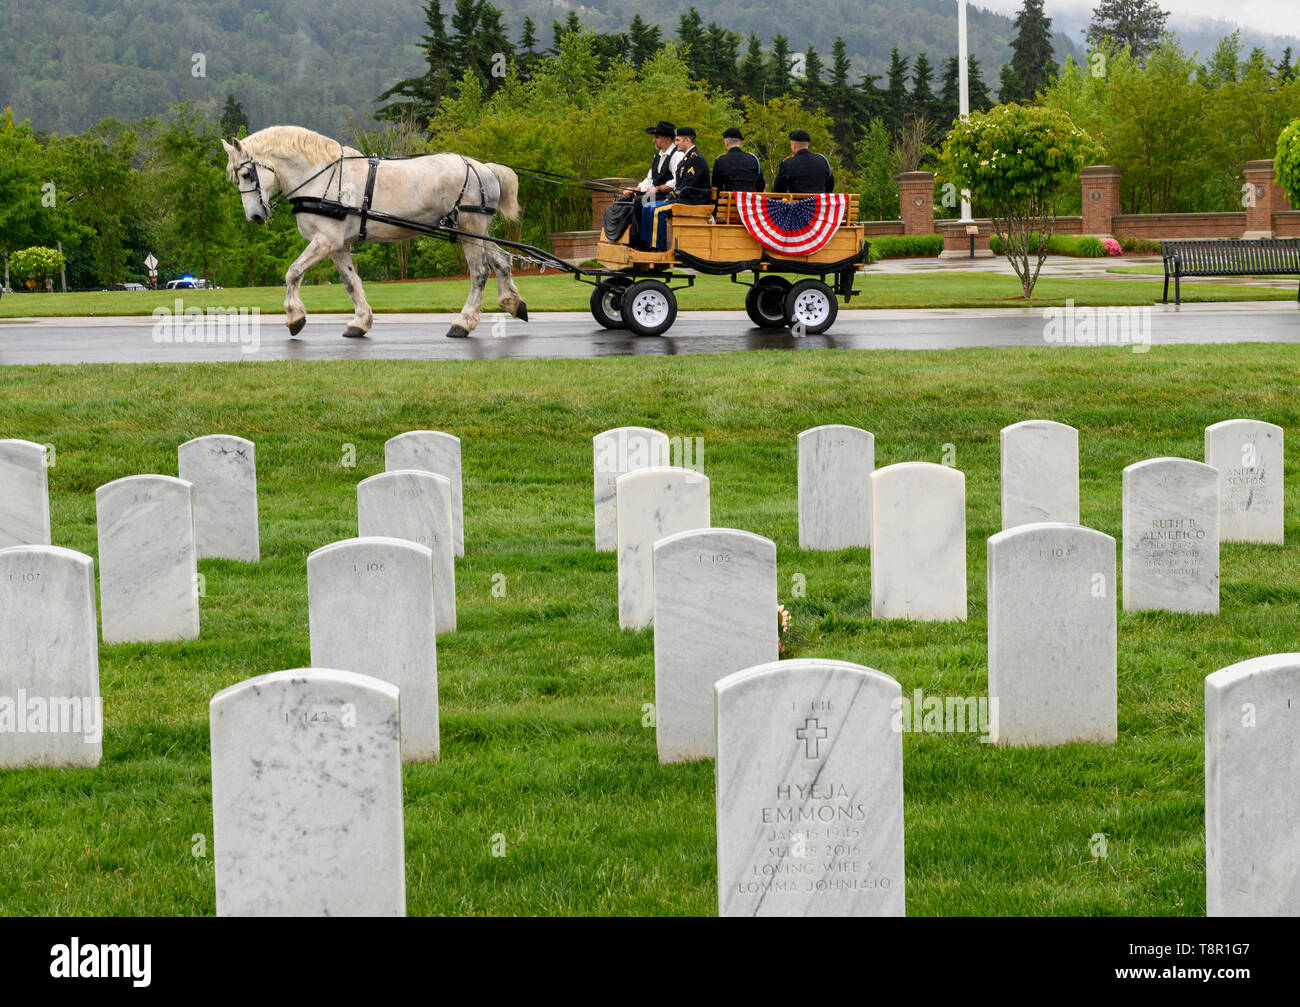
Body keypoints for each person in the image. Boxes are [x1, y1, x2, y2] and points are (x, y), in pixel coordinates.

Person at [623, 120, 684, 203]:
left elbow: (677, 182)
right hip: (655, 195)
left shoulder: (677, 155)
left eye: (657, 137)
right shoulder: (657, 157)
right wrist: (635, 190)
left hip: (670, 197)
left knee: (641, 201)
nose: (654, 140)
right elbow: (650, 180)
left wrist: (657, 188)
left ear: (667, 138)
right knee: (625, 200)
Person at [772, 129, 834, 194]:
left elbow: (778, 192)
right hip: (819, 203)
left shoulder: (787, 164)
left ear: (794, 146)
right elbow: (830, 185)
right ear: (808, 144)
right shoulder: (823, 160)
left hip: (798, 203)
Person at [712, 127, 765, 193]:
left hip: (730, 202)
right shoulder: (753, 159)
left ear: (726, 142)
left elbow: (716, 187)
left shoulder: (720, 161)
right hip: (750, 202)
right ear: (741, 142)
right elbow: (761, 185)